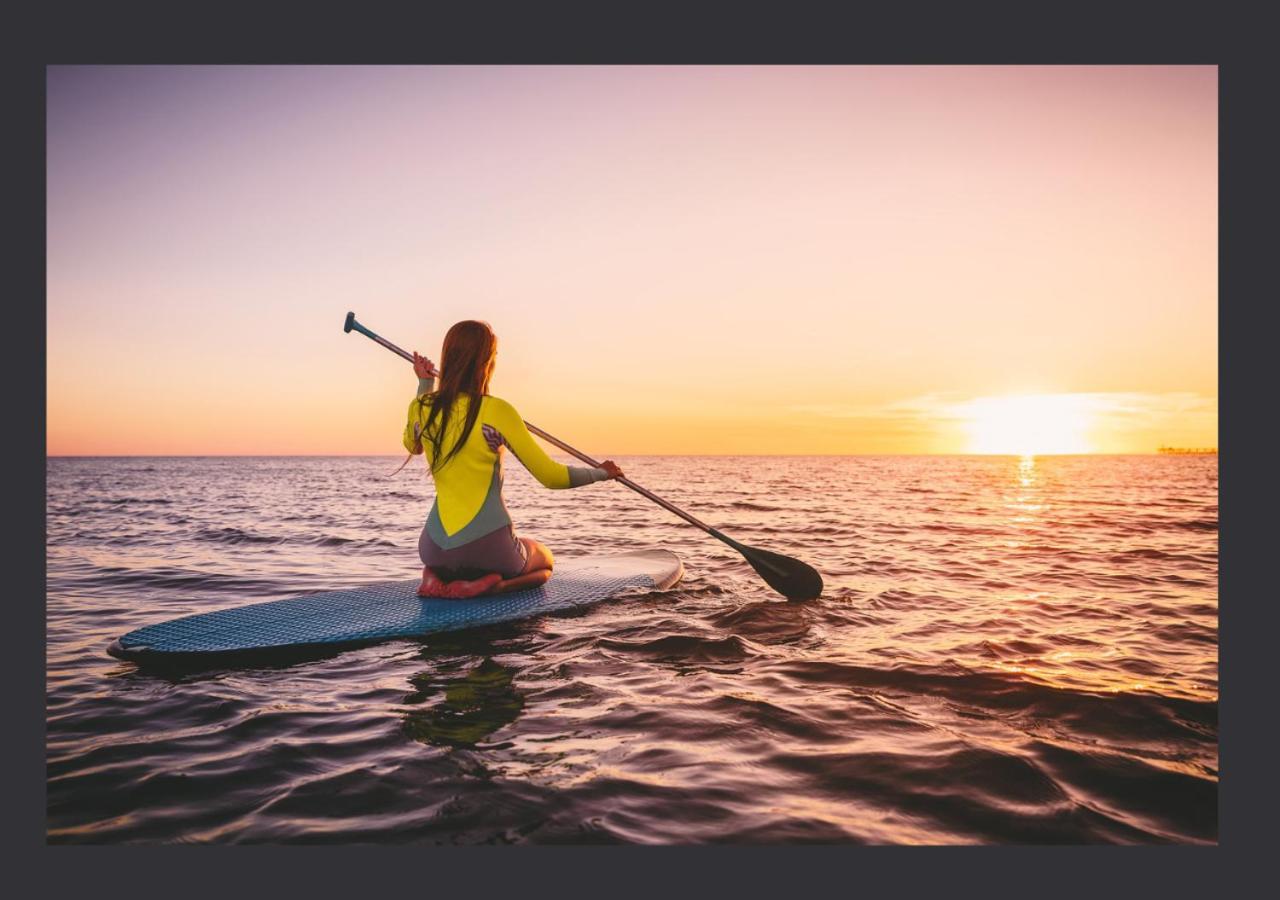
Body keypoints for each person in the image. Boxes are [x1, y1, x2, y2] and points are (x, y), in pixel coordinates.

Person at [403, 320, 624, 598]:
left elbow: (412, 446)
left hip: (432, 548)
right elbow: (551, 477)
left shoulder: (422, 407)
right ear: (486, 362)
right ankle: (491, 585)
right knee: (544, 562)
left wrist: (424, 384)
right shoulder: (497, 411)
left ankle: (434, 576)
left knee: (453, 559)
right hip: (488, 549)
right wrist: (600, 473)